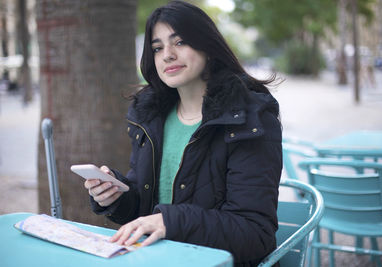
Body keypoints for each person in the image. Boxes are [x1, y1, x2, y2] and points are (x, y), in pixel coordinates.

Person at [84, 1, 282, 266]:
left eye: (179, 42)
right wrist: (117, 197)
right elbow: (146, 210)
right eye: (157, 48)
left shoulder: (249, 119)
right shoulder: (150, 116)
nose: (167, 55)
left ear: (208, 48)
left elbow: (254, 233)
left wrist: (170, 221)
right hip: (157, 258)